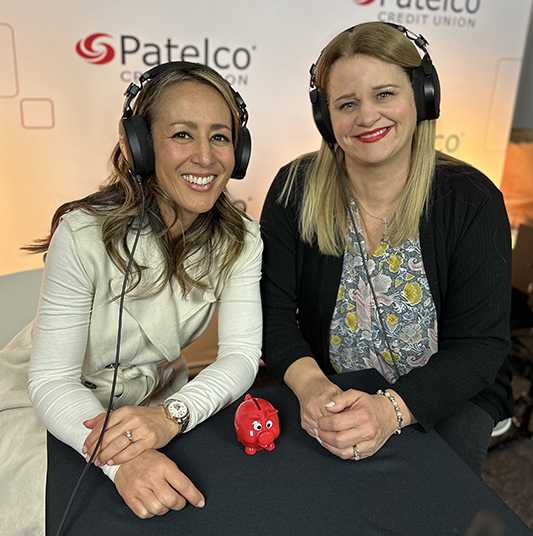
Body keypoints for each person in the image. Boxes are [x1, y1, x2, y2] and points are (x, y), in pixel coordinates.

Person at [0, 61, 262, 532]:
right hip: (50, 402)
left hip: (156, 397)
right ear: (139, 145)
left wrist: (171, 416)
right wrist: (121, 463)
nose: (205, 157)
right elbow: (53, 381)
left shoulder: (242, 238)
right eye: (182, 134)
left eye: (220, 137)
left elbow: (242, 356)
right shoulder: (81, 234)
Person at [260, 21, 513, 476]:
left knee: (433, 504)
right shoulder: (294, 189)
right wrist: (313, 387)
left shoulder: (472, 199)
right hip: (336, 386)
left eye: (384, 95)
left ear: (422, 96)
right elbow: (274, 316)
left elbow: (478, 348)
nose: (366, 117)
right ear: (325, 117)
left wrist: (390, 411)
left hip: (453, 391)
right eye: (347, 104)